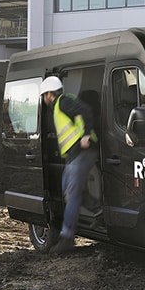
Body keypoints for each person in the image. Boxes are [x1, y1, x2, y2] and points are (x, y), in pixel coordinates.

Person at [40, 75, 98, 255]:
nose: (44, 99)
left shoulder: (63, 102)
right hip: (73, 155)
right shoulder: (60, 105)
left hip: (83, 151)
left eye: (44, 95)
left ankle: (67, 237)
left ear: (50, 94)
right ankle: (98, 211)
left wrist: (86, 135)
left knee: (72, 193)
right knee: (68, 188)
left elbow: (86, 110)